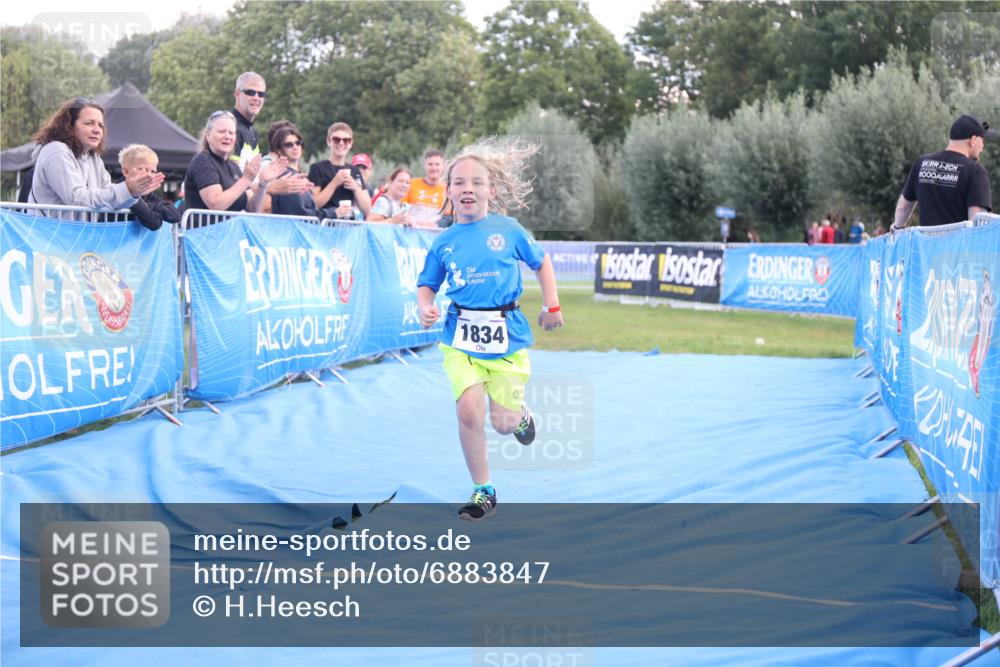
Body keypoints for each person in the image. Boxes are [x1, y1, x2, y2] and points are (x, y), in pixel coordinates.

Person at [416, 139, 564, 521]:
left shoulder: (508, 229)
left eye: (477, 182)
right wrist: (425, 306)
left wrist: (552, 306)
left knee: (503, 423)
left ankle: (521, 416)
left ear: (491, 191)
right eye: (459, 183)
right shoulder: (444, 241)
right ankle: (484, 490)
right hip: (459, 336)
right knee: (468, 411)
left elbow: (541, 262)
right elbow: (427, 284)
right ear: (448, 191)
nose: (468, 189)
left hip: (506, 335)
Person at [28, 97, 162, 217]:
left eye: (100, 125)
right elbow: (76, 199)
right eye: (89, 123)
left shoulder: (94, 158)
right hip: (49, 239)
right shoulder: (56, 151)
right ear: (69, 126)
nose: (97, 130)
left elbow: (109, 199)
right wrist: (126, 189)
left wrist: (134, 192)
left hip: (76, 239)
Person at [893, 114, 996, 230]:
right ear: (973, 140)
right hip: (957, 248)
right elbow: (977, 223)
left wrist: (897, 228)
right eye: (982, 140)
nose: (983, 146)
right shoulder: (975, 172)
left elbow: (903, 207)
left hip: (926, 246)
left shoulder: (922, 164)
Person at [182, 110, 287, 213]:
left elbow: (253, 208)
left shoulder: (233, 167)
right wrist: (246, 179)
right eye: (221, 131)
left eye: (231, 133)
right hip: (204, 230)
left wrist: (263, 183)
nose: (227, 136)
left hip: (230, 230)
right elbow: (216, 205)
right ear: (208, 135)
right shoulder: (203, 161)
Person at [308, 122, 372, 220]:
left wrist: (355, 188)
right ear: (329, 142)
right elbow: (314, 204)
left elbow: (367, 210)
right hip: (324, 227)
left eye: (346, 140)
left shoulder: (355, 171)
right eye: (336, 139)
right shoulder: (317, 168)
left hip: (348, 227)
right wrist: (334, 183)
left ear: (350, 143)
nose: (341, 143)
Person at [118, 144, 181, 231]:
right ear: (126, 171)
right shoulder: (122, 191)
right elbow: (154, 223)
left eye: (153, 171)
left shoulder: (148, 193)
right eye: (143, 169)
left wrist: (148, 205)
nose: (149, 176)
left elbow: (176, 215)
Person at [267, 124, 324, 218]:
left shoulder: (296, 174)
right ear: (279, 150)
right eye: (289, 145)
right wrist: (334, 213)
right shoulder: (285, 176)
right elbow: (300, 215)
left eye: (298, 143)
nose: (295, 147)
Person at [231, 71, 267, 169]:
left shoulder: (253, 131)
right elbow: (231, 176)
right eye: (250, 92)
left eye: (261, 94)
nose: (256, 98)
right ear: (237, 94)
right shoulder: (230, 126)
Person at [404, 148, 447, 227]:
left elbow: (448, 219)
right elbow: (401, 210)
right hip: (411, 233)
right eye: (430, 164)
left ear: (443, 166)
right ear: (424, 166)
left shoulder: (448, 190)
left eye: (437, 164)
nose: (434, 168)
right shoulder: (411, 184)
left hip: (434, 235)